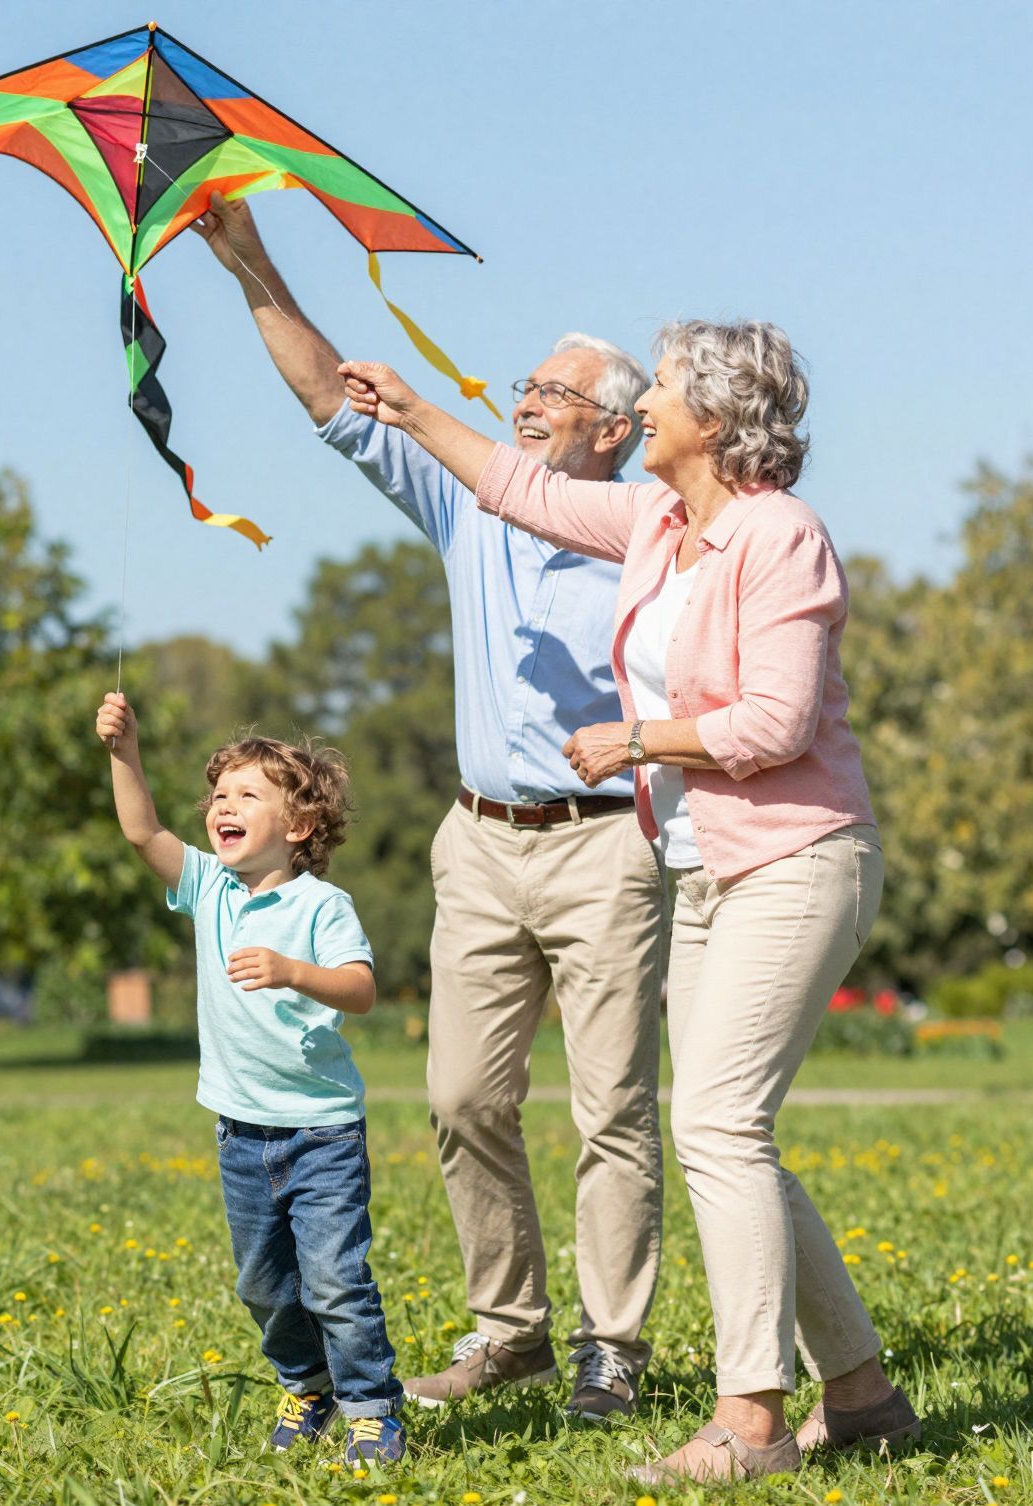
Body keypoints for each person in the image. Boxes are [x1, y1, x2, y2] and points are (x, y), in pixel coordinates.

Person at [338, 320, 921, 1485]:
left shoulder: (777, 537)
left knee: (713, 1125)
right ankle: (856, 1394)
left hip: (797, 859)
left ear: (710, 417)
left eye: (658, 387)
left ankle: (750, 1422)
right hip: (702, 867)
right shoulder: (659, 524)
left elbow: (775, 724)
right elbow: (515, 488)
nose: (644, 402)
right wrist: (406, 410)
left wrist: (635, 740)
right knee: (725, 1129)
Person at [193, 193, 665, 1420]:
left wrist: (425, 407)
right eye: (522, 384)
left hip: (604, 838)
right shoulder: (467, 502)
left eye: (554, 393)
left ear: (614, 430)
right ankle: (507, 1330)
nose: (526, 400)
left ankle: (609, 1345)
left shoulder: (643, 530)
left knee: (611, 1104)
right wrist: (248, 261)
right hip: (480, 839)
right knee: (462, 1098)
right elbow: (321, 398)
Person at [96, 691, 406, 1463]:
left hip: (322, 1132)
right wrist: (122, 751)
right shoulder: (208, 888)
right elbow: (142, 829)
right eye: (218, 796)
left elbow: (362, 990)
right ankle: (308, 1388)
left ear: (298, 827)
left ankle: (372, 1405)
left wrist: (295, 972)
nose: (221, 806)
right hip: (240, 1133)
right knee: (263, 1287)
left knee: (334, 1279)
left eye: (246, 796)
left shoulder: (321, 906)